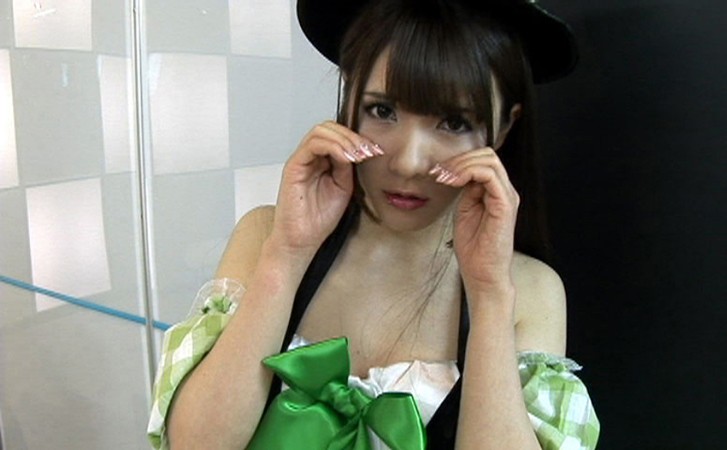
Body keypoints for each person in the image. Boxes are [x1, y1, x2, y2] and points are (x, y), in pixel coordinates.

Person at [147, 0, 599, 449]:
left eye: (454, 122)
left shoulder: (530, 289)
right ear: (349, 97)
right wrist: (286, 256)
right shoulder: (265, 236)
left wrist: (489, 296)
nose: (408, 162)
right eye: (382, 111)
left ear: (502, 128)